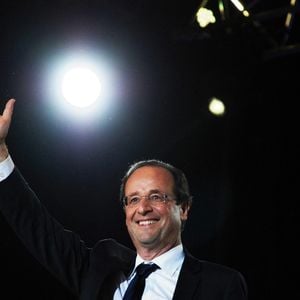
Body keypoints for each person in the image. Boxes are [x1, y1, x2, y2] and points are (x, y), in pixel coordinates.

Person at [0, 98, 248, 299]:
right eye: (133, 199)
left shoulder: (219, 285)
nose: (143, 208)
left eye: (156, 196)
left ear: (183, 208)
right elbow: (37, 227)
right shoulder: (101, 269)